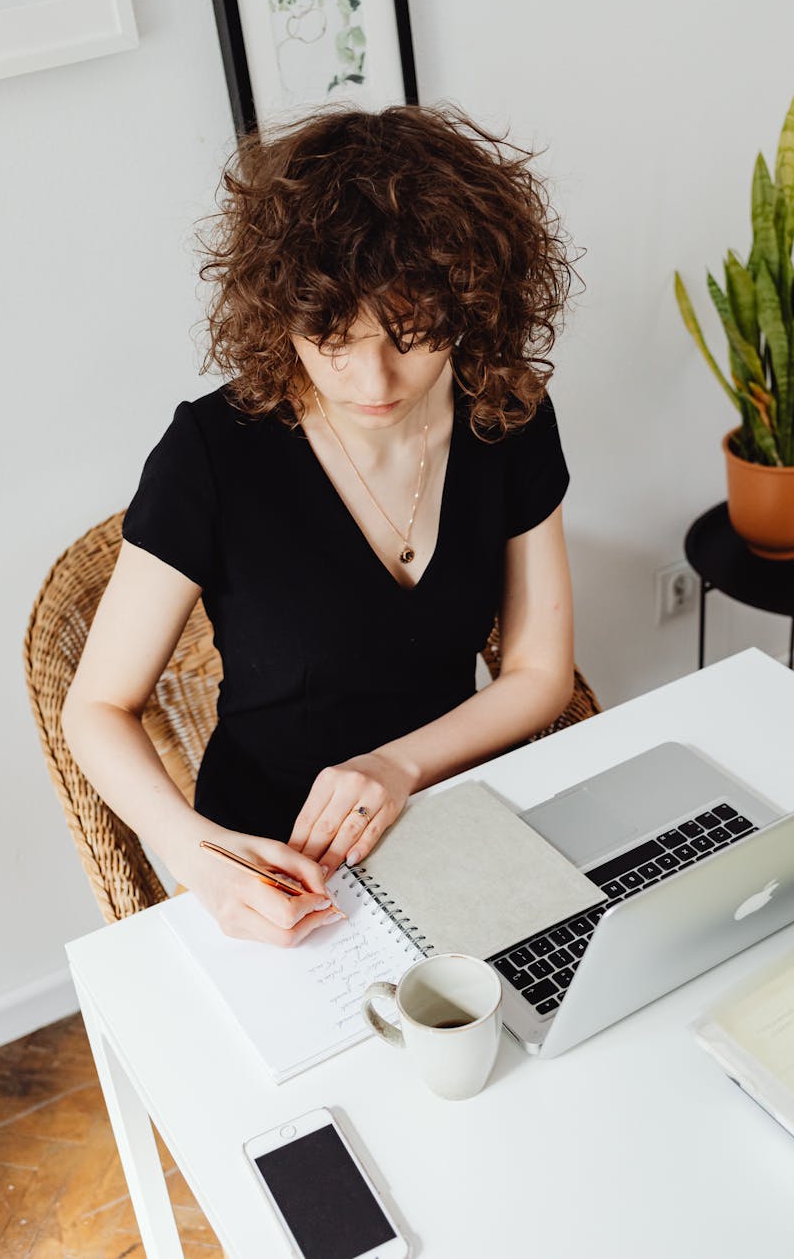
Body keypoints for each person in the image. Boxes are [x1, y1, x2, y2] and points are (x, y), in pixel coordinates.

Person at [62, 103, 579, 949]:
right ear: (279, 313)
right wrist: (199, 854)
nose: (372, 378)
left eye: (411, 334)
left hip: (445, 808)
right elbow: (97, 706)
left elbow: (537, 672)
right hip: (278, 857)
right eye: (331, 337)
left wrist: (399, 765)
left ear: (471, 304)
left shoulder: (506, 414)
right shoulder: (214, 451)